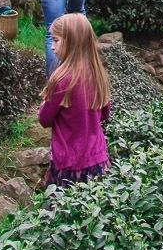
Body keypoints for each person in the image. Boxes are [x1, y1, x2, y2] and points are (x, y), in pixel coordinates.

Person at [38, 13, 111, 189]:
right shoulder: (97, 75)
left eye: (56, 40)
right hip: (97, 161)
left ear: (71, 42)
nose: (52, 47)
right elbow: (104, 114)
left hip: (68, 164)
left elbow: (44, 119)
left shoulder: (62, 79)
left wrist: (43, 106)